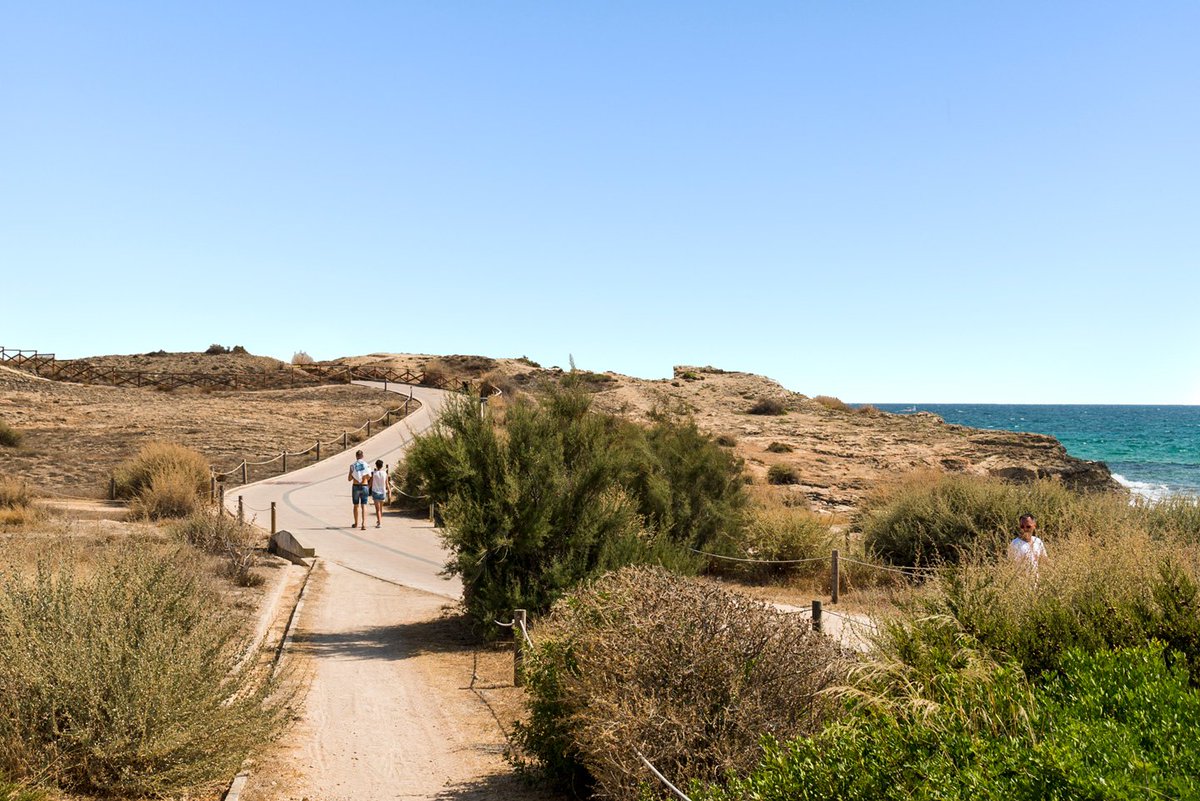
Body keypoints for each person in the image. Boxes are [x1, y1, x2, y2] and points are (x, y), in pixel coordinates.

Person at [347, 450, 370, 530]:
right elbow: (369, 477)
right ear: (362, 456)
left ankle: (356, 523)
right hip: (364, 485)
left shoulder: (352, 466)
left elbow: (349, 478)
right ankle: (364, 524)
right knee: (364, 505)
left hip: (356, 486)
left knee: (356, 505)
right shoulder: (366, 465)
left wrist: (353, 475)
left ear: (356, 456)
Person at [369, 459, 389, 528]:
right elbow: (387, 484)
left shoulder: (374, 473)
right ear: (382, 466)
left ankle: (379, 523)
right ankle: (379, 520)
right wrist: (389, 491)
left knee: (377, 510)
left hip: (375, 492)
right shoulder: (385, 473)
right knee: (380, 508)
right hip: (383, 492)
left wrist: (367, 488)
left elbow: (370, 483)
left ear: (376, 466)